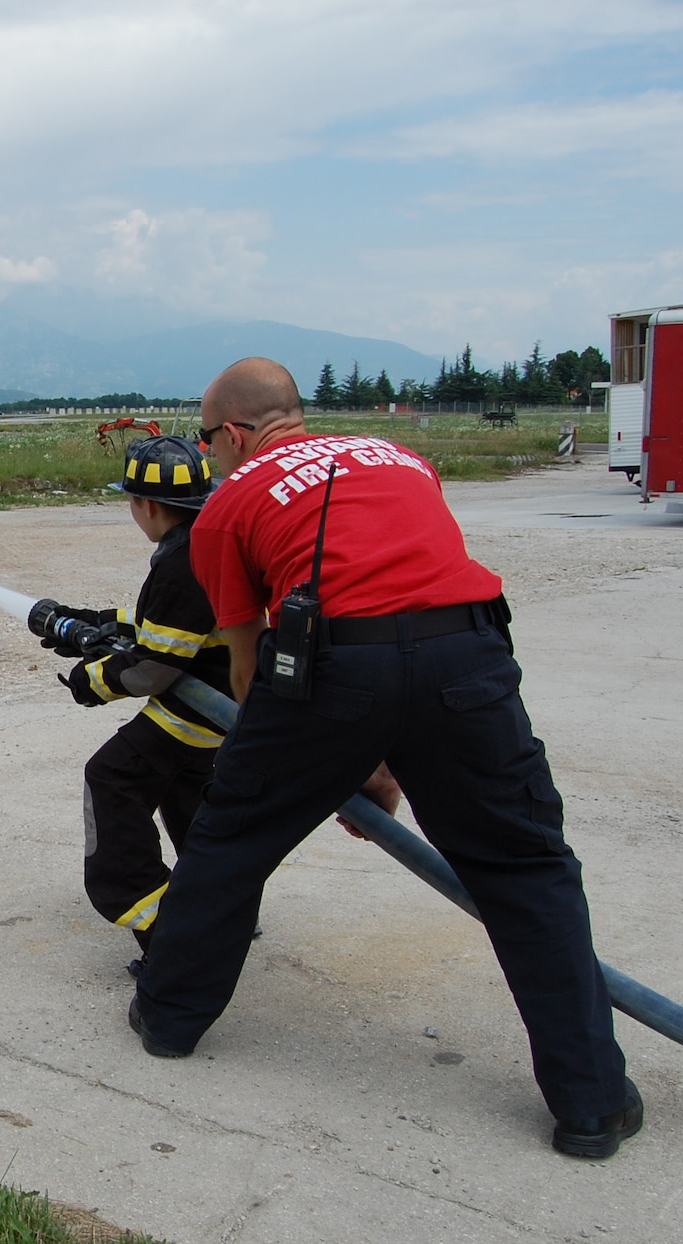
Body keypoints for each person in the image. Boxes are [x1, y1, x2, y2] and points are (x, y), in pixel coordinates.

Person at [129, 357, 640, 1160]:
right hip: (468, 657)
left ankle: (167, 1020)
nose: (211, 456)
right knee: (527, 869)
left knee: (231, 842)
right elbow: (409, 596)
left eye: (207, 440)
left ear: (231, 434)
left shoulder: (230, 503)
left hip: (334, 668)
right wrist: (380, 759)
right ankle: (592, 1105)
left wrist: (326, 759)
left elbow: (247, 663)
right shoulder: (404, 459)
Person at [45, 435, 231, 974]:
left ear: (146, 505)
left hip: (194, 714)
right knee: (188, 799)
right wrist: (96, 619)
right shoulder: (203, 539)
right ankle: (220, 906)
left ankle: (164, 933)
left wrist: (90, 681)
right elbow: (168, 624)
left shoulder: (182, 561)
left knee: (112, 780)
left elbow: (155, 668)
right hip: (225, 709)